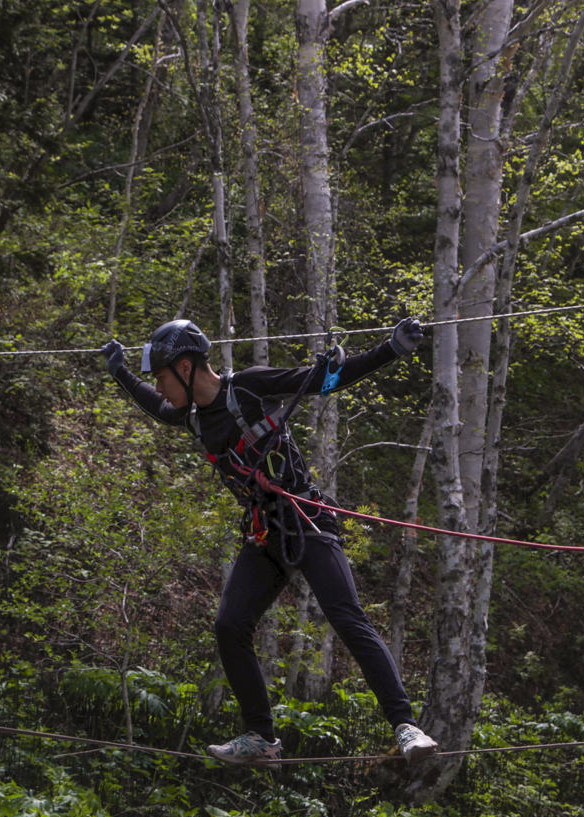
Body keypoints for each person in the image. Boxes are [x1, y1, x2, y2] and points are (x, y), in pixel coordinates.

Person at [100, 318, 438, 767]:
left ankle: (406, 727)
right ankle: (261, 737)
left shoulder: (249, 388)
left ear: (185, 367)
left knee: (346, 616)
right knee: (229, 625)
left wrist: (390, 349)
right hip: (264, 532)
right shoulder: (192, 416)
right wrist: (121, 372)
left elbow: (320, 380)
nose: (160, 388)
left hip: (306, 520)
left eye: (161, 377)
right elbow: (157, 407)